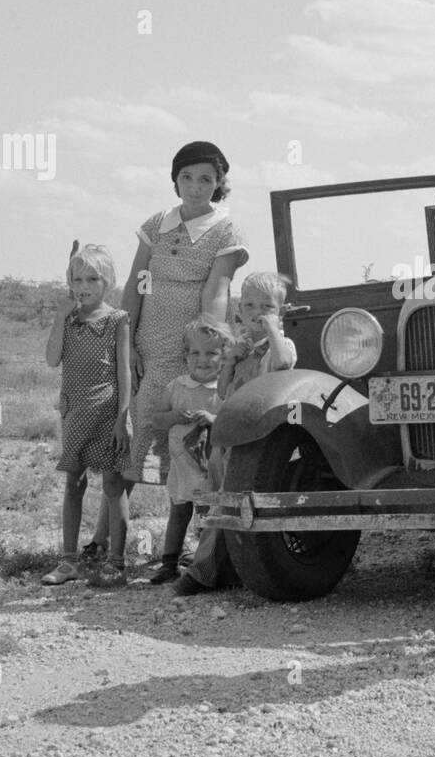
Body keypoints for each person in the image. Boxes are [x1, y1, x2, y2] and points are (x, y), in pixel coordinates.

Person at [84, 141, 248, 560]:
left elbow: (217, 289)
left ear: (219, 184)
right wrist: (127, 342)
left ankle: (200, 550)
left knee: (191, 445)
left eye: (206, 179)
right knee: (133, 442)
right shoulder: (157, 224)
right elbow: (137, 283)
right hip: (148, 348)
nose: (196, 187)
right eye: (187, 178)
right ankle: (102, 543)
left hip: (192, 352)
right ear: (175, 180)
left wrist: (205, 348)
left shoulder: (226, 231)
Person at [173, 271, 298, 596]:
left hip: (258, 443)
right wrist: (230, 360)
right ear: (240, 310)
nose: (257, 312)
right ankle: (226, 567)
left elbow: (284, 366)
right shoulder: (242, 350)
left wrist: (272, 331)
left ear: (281, 312)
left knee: (229, 502)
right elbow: (225, 391)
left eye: (267, 306)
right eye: (251, 305)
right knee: (218, 499)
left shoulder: (280, 346)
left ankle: (202, 572)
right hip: (229, 436)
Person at [41, 243, 131, 586]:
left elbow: (123, 374)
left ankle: (116, 561)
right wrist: (59, 317)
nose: (84, 286)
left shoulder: (116, 320)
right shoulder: (69, 321)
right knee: (73, 483)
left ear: (107, 280)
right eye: (77, 279)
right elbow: (52, 359)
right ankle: (69, 561)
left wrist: (124, 417)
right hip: (75, 411)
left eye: (92, 278)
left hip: (108, 411)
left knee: (112, 483)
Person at [145, 318, 232, 585]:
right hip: (182, 464)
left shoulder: (224, 390)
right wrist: (173, 416)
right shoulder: (177, 386)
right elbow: (156, 419)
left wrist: (213, 419)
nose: (202, 360)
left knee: (209, 513)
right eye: (195, 353)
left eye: (211, 353)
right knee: (179, 511)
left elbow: (232, 424)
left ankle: (207, 562)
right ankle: (169, 563)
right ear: (186, 356)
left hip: (210, 465)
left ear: (223, 356)